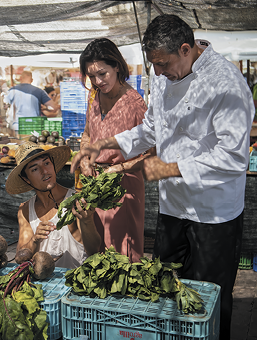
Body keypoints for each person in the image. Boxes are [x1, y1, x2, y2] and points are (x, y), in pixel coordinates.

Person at [71, 14, 254, 339]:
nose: (157, 73)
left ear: (186, 49)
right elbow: (152, 129)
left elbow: (233, 157)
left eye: (162, 64)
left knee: (209, 299)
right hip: (173, 207)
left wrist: (168, 168)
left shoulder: (227, 84)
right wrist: (106, 144)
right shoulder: (165, 76)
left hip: (213, 213)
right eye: (153, 64)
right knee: (167, 292)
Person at [78, 38, 148, 263]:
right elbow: (87, 133)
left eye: (102, 73)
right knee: (97, 248)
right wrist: (86, 157)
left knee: (121, 256)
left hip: (123, 188)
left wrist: (119, 168)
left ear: (116, 66)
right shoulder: (94, 97)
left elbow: (153, 153)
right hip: (96, 185)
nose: (97, 81)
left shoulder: (135, 105)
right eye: (91, 76)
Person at [5, 142, 101, 269]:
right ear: (26, 179)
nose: (45, 171)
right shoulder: (25, 210)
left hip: (77, 281)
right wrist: (35, 240)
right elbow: (20, 257)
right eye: (34, 169)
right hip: (45, 285)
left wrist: (87, 220)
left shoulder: (76, 200)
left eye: (46, 163)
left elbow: (95, 250)